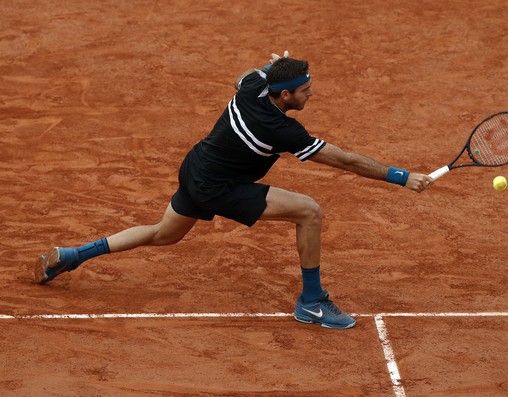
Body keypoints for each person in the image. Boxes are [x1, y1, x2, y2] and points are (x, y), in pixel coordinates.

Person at [33, 51, 433, 329]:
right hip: (220, 186)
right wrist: (401, 176)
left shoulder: (252, 86)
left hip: (197, 167)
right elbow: (344, 160)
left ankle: (73, 255)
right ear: (284, 96)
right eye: (305, 90)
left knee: (162, 234)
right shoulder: (283, 129)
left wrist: (273, 66)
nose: (312, 94)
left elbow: (249, 74)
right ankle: (312, 303)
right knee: (309, 211)